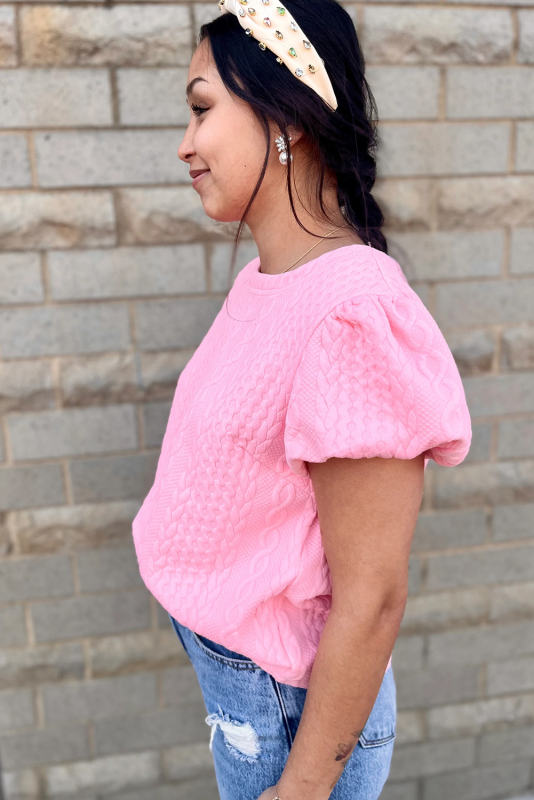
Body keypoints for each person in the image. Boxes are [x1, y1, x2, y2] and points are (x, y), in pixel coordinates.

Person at [131, 0, 473, 798]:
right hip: (249, 697)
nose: (185, 144)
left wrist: (302, 789)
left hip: (289, 723)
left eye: (201, 108)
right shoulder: (272, 282)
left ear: (286, 115)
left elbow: (375, 593)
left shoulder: (349, 312)